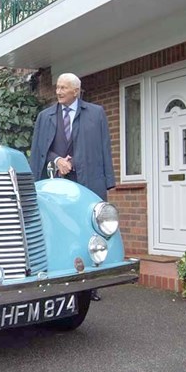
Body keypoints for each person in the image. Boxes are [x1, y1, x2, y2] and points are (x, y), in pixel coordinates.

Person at [30, 73, 115, 301]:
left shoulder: (96, 114)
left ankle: (92, 286)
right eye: (57, 87)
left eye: (63, 88)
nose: (58, 92)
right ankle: (56, 278)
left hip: (88, 181)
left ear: (76, 91)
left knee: (88, 229)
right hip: (56, 184)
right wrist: (58, 161)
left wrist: (108, 180)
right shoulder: (44, 116)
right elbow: (39, 150)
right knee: (58, 228)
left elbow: (102, 147)